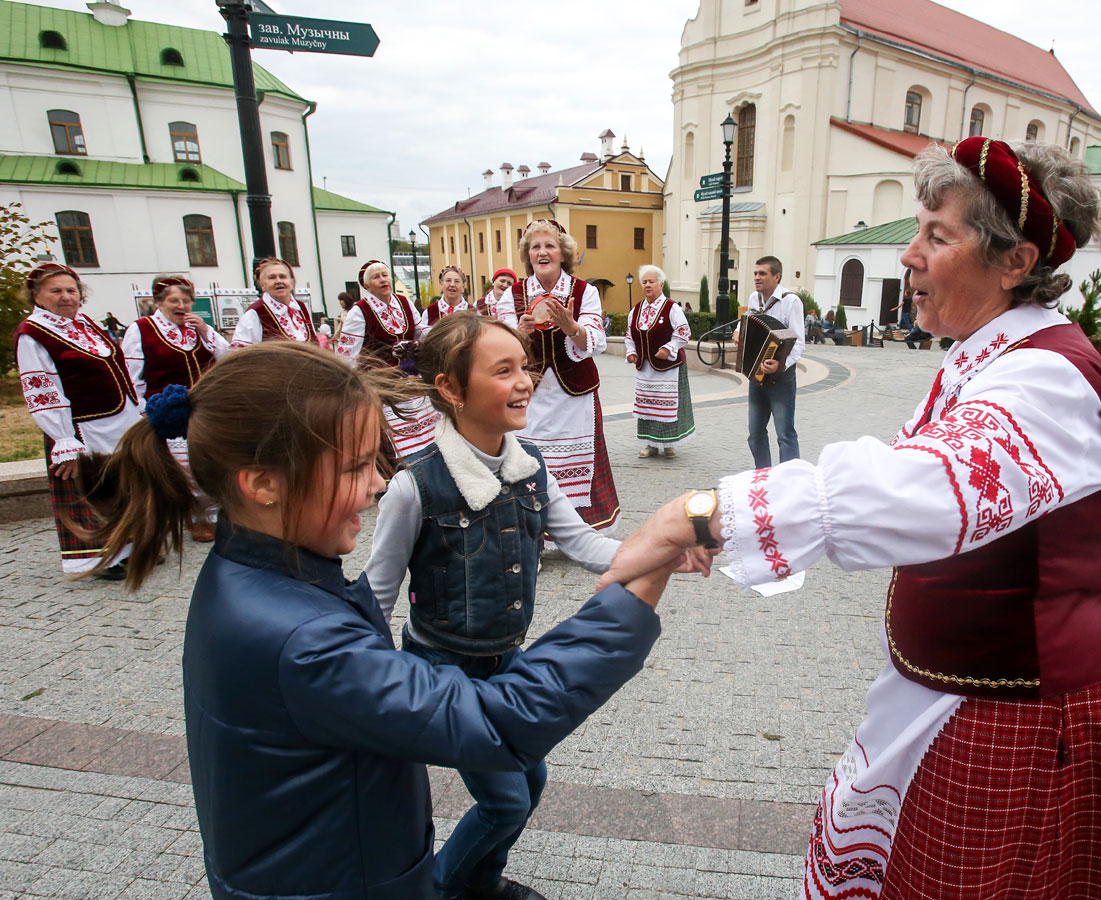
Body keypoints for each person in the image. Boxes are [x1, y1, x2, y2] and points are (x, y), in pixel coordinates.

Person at [599, 137, 1101, 899]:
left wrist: (694, 515)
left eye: (936, 235)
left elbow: (920, 489)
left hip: (1016, 717)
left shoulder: (1047, 379)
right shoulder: (991, 358)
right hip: (963, 697)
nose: (908, 257)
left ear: (1015, 261)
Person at [75, 341, 687, 900]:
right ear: (263, 483)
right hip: (346, 883)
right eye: (352, 468)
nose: (375, 486)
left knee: (522, 792)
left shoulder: (261, 572)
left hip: (326, 869)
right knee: (507, 797)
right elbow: (499, 723)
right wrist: (641, 582)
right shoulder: (302, 639)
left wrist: (649, 553)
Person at [365, 313, 661, 900]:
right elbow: (377, 591)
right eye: (504, 371)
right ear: (451, 390)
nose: (525, 381)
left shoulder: (530, 469)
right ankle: (445, 888)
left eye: (524, 366)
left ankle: (479, 880)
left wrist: (665, 546)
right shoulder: (415, 486)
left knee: (532, 780)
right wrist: (370, 688)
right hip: (443, 673)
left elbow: (583, 544)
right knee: (504, 801)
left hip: (506, 663)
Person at [15, 263, 141, 578]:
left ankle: (128, 546)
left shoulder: (84, 322)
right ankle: (100, 558)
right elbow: (42, 389)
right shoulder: (33, 334)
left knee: (119, 485)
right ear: (37, 295)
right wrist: (63, 438)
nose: (66, 297)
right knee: (92, 489)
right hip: (81, 426)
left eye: (71, 290)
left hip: (115, 419)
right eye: (55, 291)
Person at [499, 219, 620, 532]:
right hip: (530, 395)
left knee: (576, 462)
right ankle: (533, 535)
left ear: (563, 253)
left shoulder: (585, 292)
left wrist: (572, 327)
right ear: (528, 255)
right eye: (535, 246)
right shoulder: (512, 294)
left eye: (549, 245)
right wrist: (518, 334)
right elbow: (496, 347)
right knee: (530, 461)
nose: (542, 252)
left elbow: (596, 342)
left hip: (574, 394)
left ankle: (577, 533)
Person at [120, 275, 232, 542]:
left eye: (186, 301)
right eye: (174, 301)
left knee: (207, 460)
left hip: (202, 405)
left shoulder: (198, 328)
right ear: (159, 302)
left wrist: (206, 331)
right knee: (180, 467)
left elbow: (228, 357)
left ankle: (214, 514)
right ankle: (194, 517)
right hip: (165, 408)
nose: (181, 306)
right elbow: (131, 373)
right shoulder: (142, 329)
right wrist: (142, 409)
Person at [335, 260, 440, 459]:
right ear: (366, 286)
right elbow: (347, 354)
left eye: (385, 274)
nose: (383, 279)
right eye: (376, 277)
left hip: (411, 377)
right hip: (382, 385)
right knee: (397, 438)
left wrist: (441, 332)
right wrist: (353, 389)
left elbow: (419, 330)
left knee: (427, 431)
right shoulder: (360, 311)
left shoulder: (403, 301)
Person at [735, 256, 804, 468]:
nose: (757, 277)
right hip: (757, 375)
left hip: (781, 378)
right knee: (755, 433)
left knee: (785, 433)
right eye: (755, 273)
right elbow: (746, 323)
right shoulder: (754, 299)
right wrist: (738, 332)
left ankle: (791, 479)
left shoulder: (791, 301)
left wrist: (781, 365)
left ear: (777, 276)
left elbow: (799, 343)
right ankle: (763, 475)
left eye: (762, 273)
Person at [625, 265, 695, 458]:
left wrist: (668, 348)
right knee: (648, 406)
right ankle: (650, 445)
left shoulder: (671, 307)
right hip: (646, 369)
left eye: (651, 281)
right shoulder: (636, 309)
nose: (647, 285)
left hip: (669, 367)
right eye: (645, 282)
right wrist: (631, 352)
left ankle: (669, 444)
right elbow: (630, 335)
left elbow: (684, 332)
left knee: (668, 405)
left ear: (661, 284)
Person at [231, 257, 318, 347]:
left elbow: (315, 343)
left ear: (291, 282)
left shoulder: (301, 307)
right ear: (262, 285)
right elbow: (240, 354)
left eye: (282, 276)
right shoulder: (255, 313)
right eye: (272, 277)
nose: (278, 281)